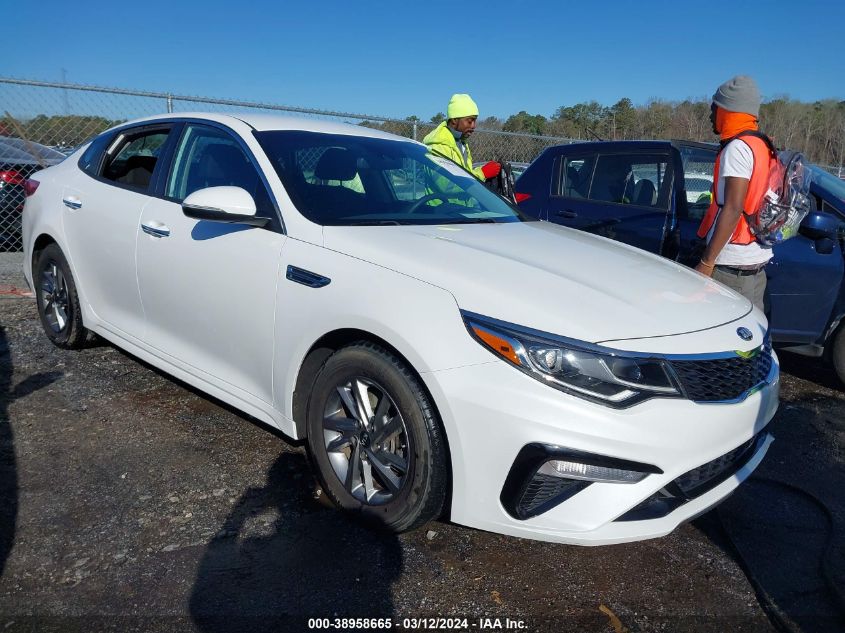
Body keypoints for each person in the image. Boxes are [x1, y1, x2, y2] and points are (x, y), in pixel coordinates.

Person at [695, 75, 773, 312]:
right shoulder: (762, 145)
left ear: (728, 110)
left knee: (718, 336)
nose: (710, 115)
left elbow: (733, 206)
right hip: (754, 260)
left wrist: (706, 262)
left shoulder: (737, 148)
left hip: (731, 267)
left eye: (714, 108)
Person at [423, 94, 500, 181]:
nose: (474, 126)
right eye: (470, 121)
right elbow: (445, 184)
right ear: (454, 120)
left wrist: (483, 171)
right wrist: (482, 174)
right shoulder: (438, 146)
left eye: (475, 121)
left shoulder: (462, 143)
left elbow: (466, 174)